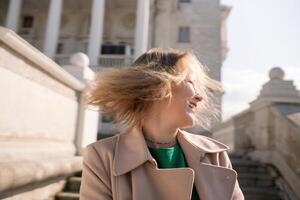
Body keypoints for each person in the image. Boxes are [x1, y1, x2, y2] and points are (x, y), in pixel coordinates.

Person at [79, 48, 245, 200]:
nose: (200, 97)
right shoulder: (102, 156)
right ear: (156, 87)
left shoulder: (215, 155)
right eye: (190, 82)